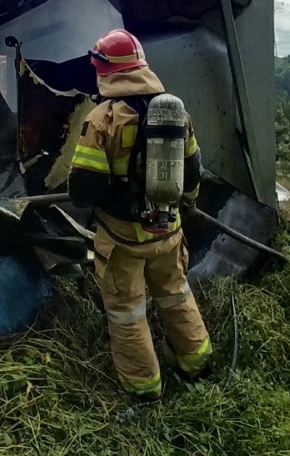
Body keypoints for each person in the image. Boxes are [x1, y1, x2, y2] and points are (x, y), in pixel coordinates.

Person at [68, 29, 211, 401]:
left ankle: (145, 389)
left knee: (127, 313)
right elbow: (193, 172)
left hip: (123, 240)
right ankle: (197, 364)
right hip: (169, 232)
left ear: (103, 70)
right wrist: (186, 205)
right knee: (176, 295)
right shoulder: (177, 114)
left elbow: (83, 191)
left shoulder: (102, 119)